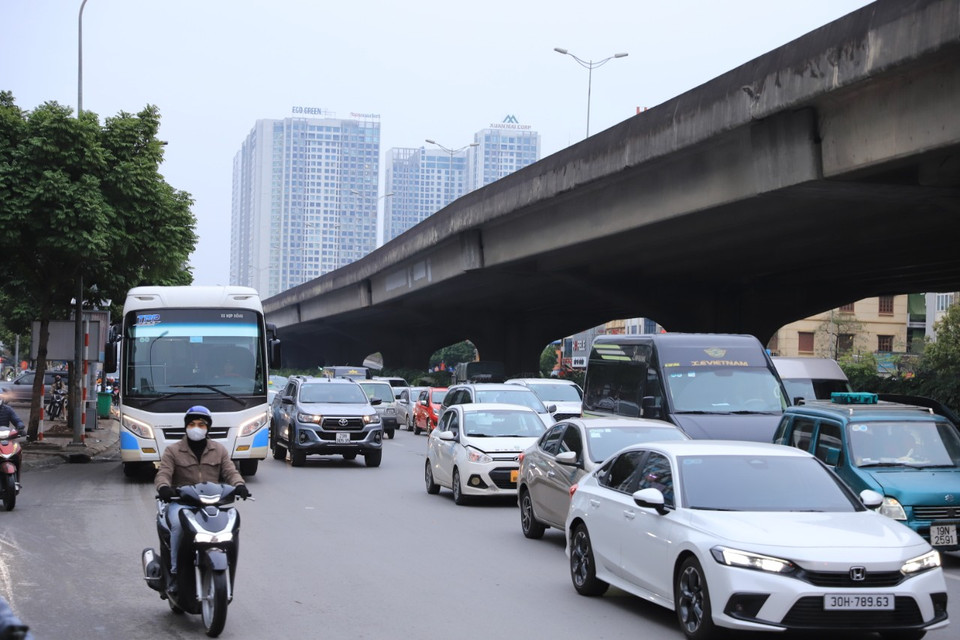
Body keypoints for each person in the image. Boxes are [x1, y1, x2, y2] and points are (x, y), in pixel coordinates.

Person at [154, 406, 249, 595]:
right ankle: (174, 575)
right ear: (185, 427)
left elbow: (230, 471)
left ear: (208, 428)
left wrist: (239, 485)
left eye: (200, 424)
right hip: (181, 504)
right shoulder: (173, 451)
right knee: (179, 528)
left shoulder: (219, 450)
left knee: (229, 526)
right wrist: (164, 488)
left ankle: (225, 568)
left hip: (211, 504)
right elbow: (163, 473)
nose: (196, 428)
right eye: (191, 424)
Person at [0, 398, 26, 487]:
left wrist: (20, 427)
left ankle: (17, 480)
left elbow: (17, 420)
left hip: (5, 438)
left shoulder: (8, 409)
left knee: (16, 451)